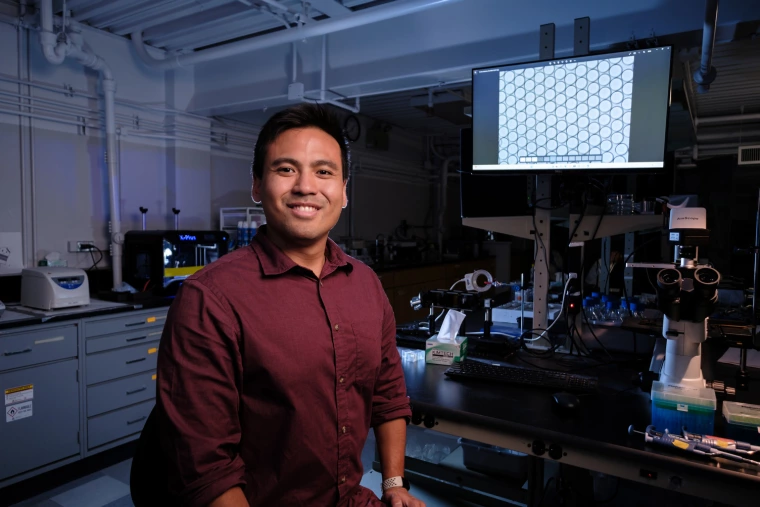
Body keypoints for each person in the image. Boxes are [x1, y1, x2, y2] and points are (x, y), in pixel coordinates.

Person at [154, 104, 424, 507]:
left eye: (324, 171)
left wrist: (394, 483)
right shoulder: (209, 298)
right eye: (285, 169)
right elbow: (206, 469)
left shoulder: (366, 285)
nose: (305, 186)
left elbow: (388, 394)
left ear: (344, 191)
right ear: (257, 186)